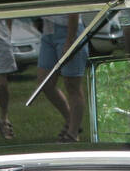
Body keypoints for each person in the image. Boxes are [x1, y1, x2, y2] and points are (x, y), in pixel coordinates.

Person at [36, 13, 90, 142]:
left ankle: (73, 133)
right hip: (48, 31)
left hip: (70, 30)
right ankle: (71, 121)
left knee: (72, 85)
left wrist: (70, 41)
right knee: (45, 83)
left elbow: (74, 11)